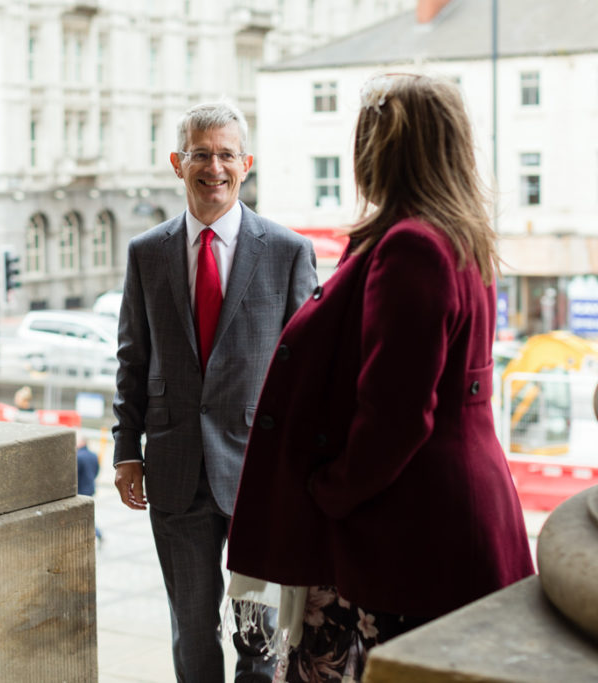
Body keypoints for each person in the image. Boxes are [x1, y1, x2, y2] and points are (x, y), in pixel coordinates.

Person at [227, 73, 535, 682]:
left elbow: (397, 415)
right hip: (447, 511)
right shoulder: (459, 234)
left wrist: (329, 491)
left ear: (384, 150)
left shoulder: (412, 247)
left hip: (408, 525)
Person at [112, 100, 317, 682]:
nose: (214, 167)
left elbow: (306, 371)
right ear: (177, 163)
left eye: (226, 154)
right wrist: (127, 449)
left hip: (260, 478)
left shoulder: (287, 251)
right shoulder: (147, 252)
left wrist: (303, 467)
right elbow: (133, 357)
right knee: (192, 634)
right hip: (176, 473)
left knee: (259, 638)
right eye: (200, 154)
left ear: (246, 164)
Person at [76, 435, 101, 539]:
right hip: (90, 488)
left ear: (82, 443)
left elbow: (75, 475)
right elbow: (96, 471)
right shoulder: (94, 455)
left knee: (82, 515)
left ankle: (97, 534)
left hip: (80, 490)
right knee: (86, 514)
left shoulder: (78, 456)